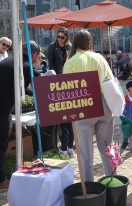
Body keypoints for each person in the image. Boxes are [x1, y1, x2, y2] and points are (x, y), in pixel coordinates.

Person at [63, 29, 115, 181]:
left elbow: (66, 88)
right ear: (89, 43)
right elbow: (110, 81)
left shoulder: (70, 61)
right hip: (104, 104)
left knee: (86, 154)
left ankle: (90, 188)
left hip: (83, 106)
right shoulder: (99, 57)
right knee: (107, 147)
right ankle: (113, 182)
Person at [0, 40, 41, 189]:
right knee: (2, 143)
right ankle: (1, 181)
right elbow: (33, 88)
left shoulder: (11, 60)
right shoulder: (25, 66)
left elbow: (24, 89)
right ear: (34, 54)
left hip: (3, 107)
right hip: (2, 109)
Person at [47, 27, 74, 159]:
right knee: (63, 118)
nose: (59, 39)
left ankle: (70, 146)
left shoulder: (70, 47)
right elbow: (51, 66)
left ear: (66, 37)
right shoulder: (52, 47)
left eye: (62, 37)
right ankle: (63, 147)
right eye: (58, 36)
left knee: (72, 118)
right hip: (59, 84)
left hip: (71, 84)